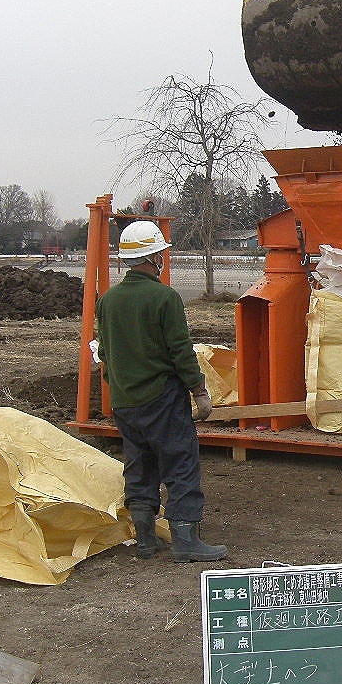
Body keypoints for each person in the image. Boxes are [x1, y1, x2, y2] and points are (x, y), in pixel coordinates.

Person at [95, 220, 228, 563]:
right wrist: (198, 391)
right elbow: (180, 351)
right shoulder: (164, 298)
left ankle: (145, 540)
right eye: (161, 254)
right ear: (153, 257)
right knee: (180, 463)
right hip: (162, 400)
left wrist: (121, 387)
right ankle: (186, 541)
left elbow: (105, 353)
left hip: (125, 403)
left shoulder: (108, 301)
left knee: (139, 466)